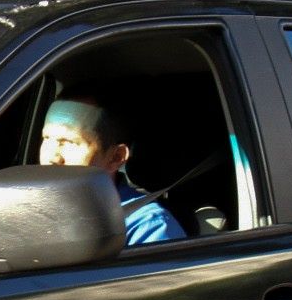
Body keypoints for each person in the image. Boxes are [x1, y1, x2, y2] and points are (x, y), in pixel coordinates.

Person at [35, 96, 184, 244]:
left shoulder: (147, 226)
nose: (52, 157)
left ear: (116, 157)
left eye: (70, 143)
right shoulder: (32, 208)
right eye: (46, 139)